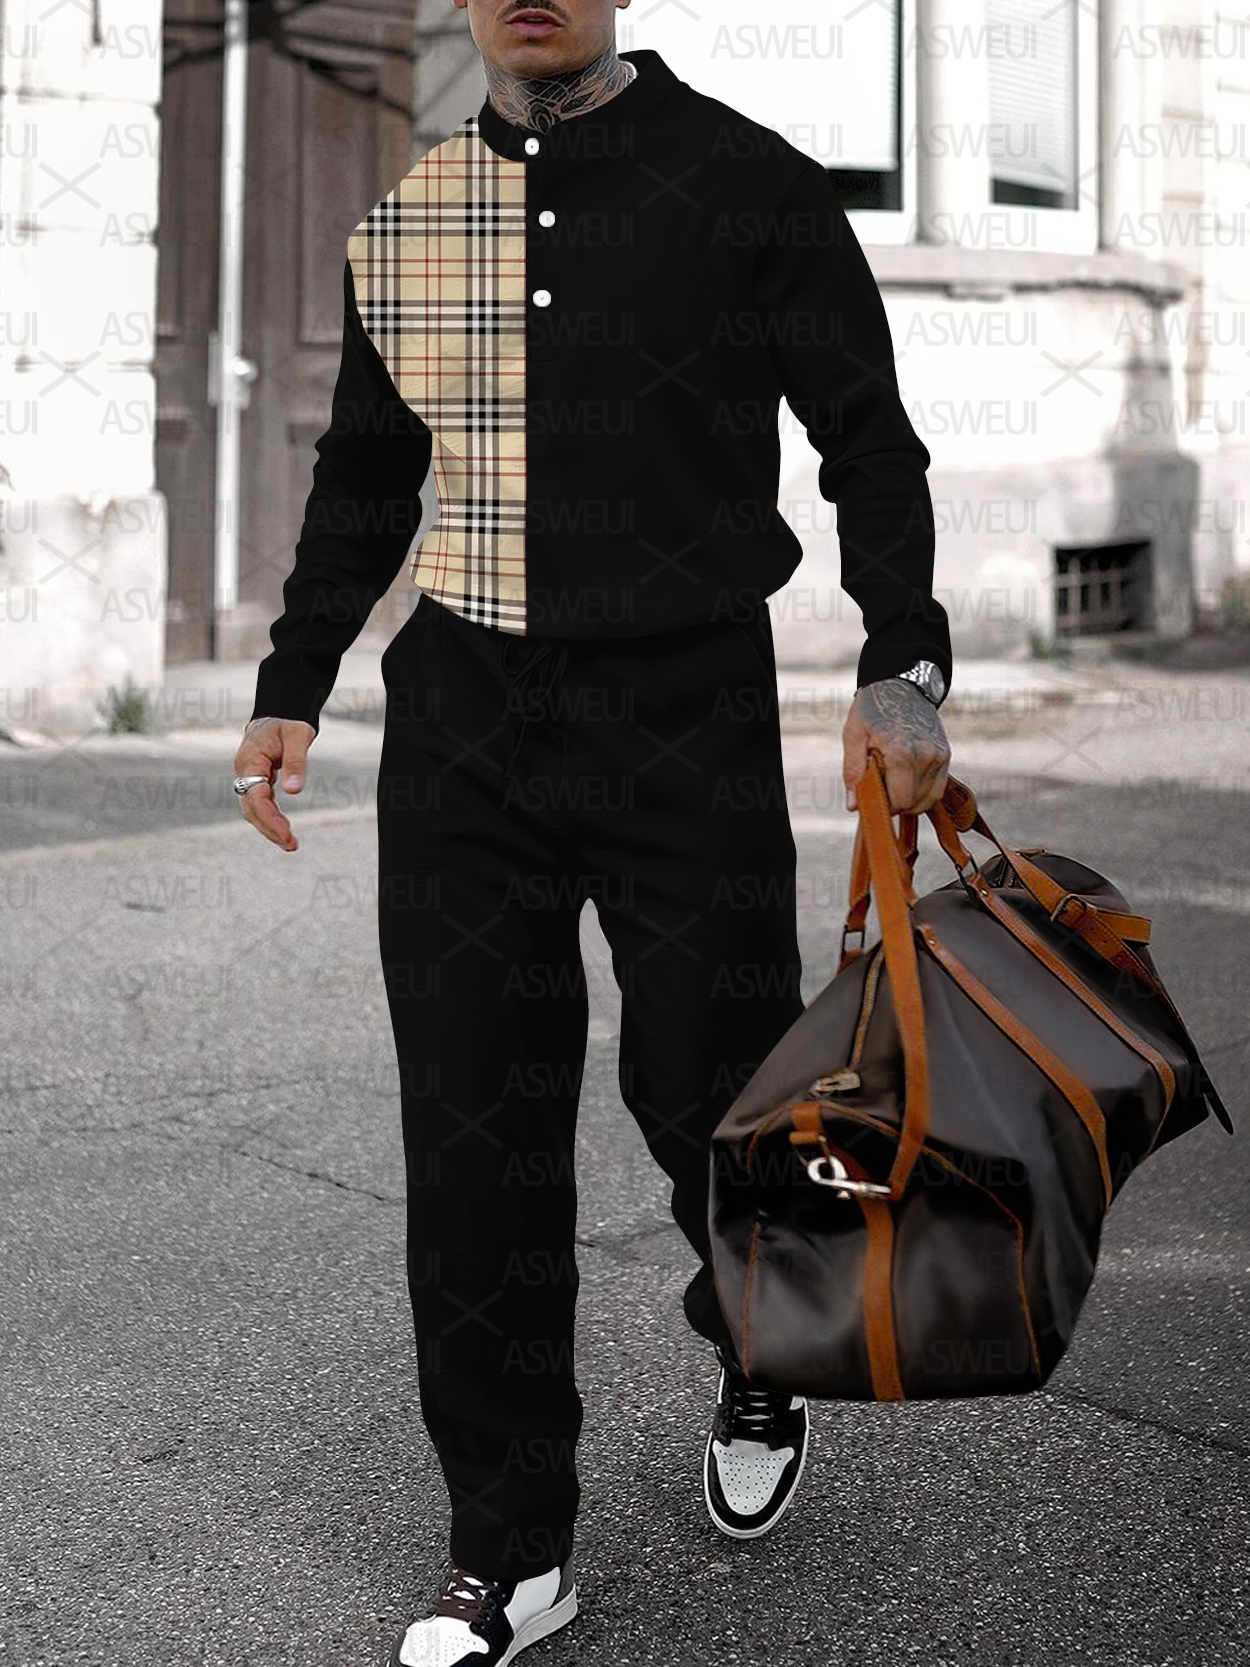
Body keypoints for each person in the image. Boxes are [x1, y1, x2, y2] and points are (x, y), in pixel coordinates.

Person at [233, 3, 952, 1662]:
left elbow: (867, 439)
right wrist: (292, 682)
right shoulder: (409, 215)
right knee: (471, 1136)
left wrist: (901, 662)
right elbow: (366, 474)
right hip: (464, 728)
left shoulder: (750, 183)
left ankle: (759, 1341)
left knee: (708, 1090)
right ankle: (509, 1548)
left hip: (685, 710)